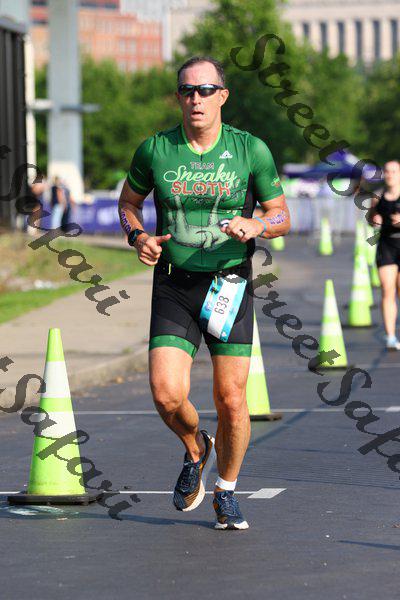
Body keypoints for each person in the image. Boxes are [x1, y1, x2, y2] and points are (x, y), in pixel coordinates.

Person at [118, 56, 290, 530]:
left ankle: (226, 491)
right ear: (178, 97)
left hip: (229, 284)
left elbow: (281, 215)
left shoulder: (250, 149)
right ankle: (197, 448)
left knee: (231, 399)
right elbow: (128, 203)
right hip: (174, 284)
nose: (196, 99)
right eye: (187, 91)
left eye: (206, 90)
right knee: (166, 394)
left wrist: (257, 224)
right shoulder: (155, 150)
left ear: (222, 96)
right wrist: (137, 236)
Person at [367, 160, 400, 350]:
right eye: (387, 171)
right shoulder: (378, 196)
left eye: (394, 171)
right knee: (387, 290)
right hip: (387, 245)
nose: (390, 175)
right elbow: (371, 218)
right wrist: (374, 219)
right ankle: (390, 336)